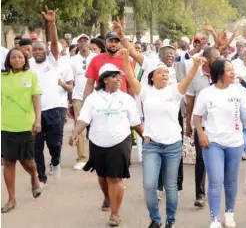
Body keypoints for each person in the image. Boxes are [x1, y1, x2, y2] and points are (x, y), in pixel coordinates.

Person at [123, 47, 205, 228]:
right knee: (149, 185)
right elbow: (129, 77)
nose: (165, 74)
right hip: (151, 144)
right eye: (160, 73)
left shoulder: (175, 91)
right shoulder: (145, 92)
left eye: (167, 73)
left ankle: (170, 220)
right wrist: (125, 59)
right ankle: (155, 219)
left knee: (170, 186)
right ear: (152, 77)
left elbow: (188, 78)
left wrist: (196, 64)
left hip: (172, 145)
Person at [70, 63, 143, 227]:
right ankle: (108, 196)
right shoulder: (93, 99)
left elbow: (135, 122)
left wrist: (146, 137)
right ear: (104, 80)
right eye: (114, 76)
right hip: (97, 141)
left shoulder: (126, 99)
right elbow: (84, 119)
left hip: (120, 140)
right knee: (103, 176)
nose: (119, 79)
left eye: (119, 76)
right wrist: (75, 133)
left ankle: (115, 213)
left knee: (115, 177)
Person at [193, 58, 246, 228]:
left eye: (233, 69)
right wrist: (201, 133)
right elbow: (197, 115)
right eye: (229, 70)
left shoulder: (238, 91)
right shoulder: (207, 93)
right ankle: (214, 219)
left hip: (235, 142)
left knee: (230, 180)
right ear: (219, 73)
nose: (233, 73)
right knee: (215, 179)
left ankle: (229, 213)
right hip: (213, 142)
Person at [31, 7, 74, 185]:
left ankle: (55, 161)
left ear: (46, 51)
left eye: (41, 49)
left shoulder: (53, 60)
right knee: (37, 146)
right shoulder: (28, 64)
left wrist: (52, 24)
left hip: (55, 108)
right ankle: (41, 177)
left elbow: (55, 44)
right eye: (35, 50)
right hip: (35, 110)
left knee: (55, 143)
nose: (38, 52)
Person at [1, 48, 42, 213]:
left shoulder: (31, 76)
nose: (17, 60)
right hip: (6, 126)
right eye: (13, 57)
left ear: (25, 60)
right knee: (9, 161)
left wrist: (38, 120)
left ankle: (34, 177)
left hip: (26, 125)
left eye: (20, 57)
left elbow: (36, 98)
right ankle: (11, 198)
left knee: (27, 161)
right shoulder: (2, 77)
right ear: (8, 61)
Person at [185, 47, 220, 208]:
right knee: (201, 159)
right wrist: (188, 123)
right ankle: (200, 194)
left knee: (217, 160)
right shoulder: (195, 77)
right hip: (202, 125)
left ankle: (216, 191)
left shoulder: (221, 75)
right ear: (205, 59)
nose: (219, 61)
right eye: (215, 58)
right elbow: (190, 101)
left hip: (220, 125)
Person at [69, 34, 96, 170]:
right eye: (81, 41)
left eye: (86, 40)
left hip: (95, 96)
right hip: (78, 97)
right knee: (79, 126)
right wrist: (69, 101)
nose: (84, 43)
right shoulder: (72, 60)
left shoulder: (96, 57)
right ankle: (81, 158)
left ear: (89, 43)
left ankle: (96, 157)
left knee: (96, 126)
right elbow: (70, 80)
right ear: (77, 44)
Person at [84, 31, 131, 99]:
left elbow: (130, 86)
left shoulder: (127, 60)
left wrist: (133, 104)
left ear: (120, 43)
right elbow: (89, 85)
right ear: (105, 42)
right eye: (111, 41)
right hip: (102, 102)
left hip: (122, 103)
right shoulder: (95, 60)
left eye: (116, 42)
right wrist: (85, 106)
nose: (114, 44)